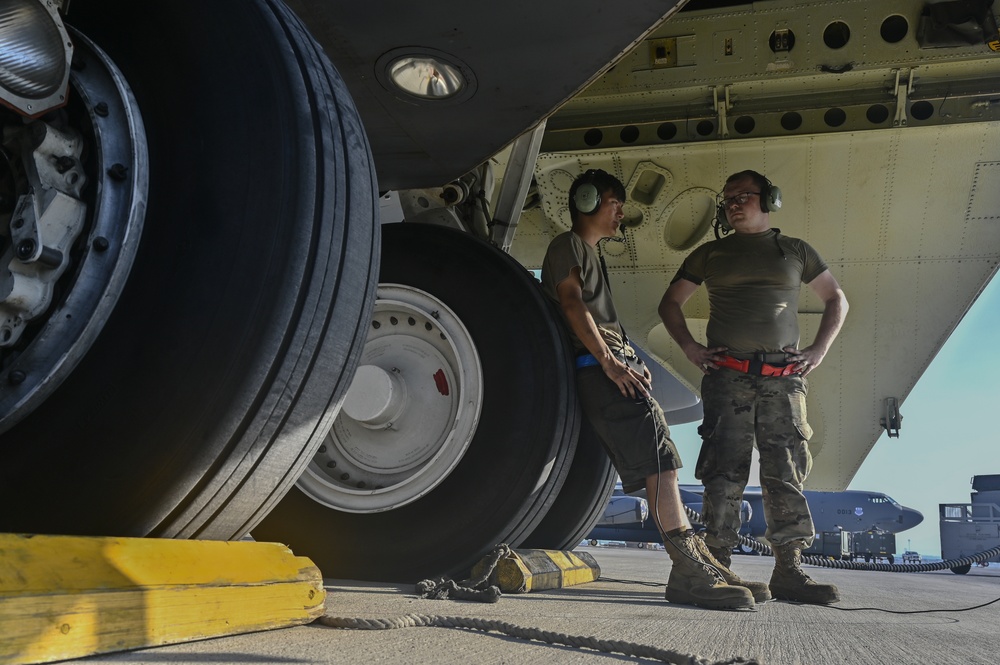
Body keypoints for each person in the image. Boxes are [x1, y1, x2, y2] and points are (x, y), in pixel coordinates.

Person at [541, 169, 762, 610]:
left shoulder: (587, 252)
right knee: (660, 466)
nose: (621, 212)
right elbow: (571, 303)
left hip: (614, 368)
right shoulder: (568, 246)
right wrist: (609, 362)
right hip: (604, 369)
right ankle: (686, 572)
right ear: (586, 201)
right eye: (613, 203)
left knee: (662, 463)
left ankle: (700, 564)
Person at [659, 169, 849, 605]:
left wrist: (818, 350)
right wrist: (689, 346)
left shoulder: (796, 251)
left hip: (784, 381)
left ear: (770, 200)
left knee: (785, 474)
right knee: (723, 474)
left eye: (744, 195)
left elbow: (836, 298)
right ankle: (717, 563)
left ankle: (789, 570)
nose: (733, 203)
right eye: (728, 197)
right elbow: (670, 302)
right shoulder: (709, 255)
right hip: (728, 379)